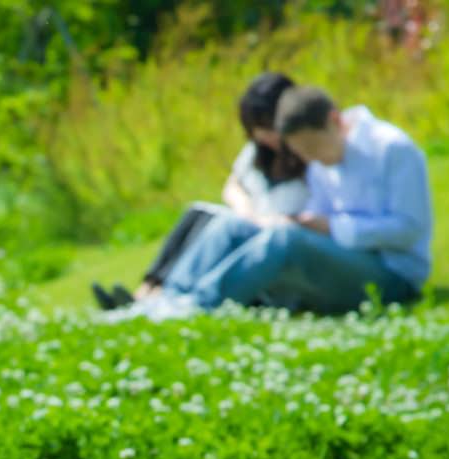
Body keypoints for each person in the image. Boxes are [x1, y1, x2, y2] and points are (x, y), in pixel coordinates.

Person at [144, 86, 432, 315]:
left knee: (284, 240)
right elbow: (314, 218)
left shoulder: (393, 150)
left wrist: (331, 226)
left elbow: (410, 230)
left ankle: (197, 306)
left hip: (392, 275)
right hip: (338, 258)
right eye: (303, 152)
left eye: (312, 147)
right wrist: (299, 222)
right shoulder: (321, 161)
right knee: (232, 225)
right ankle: (167, 298)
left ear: (335, 121)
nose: (311, 159)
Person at [92, 72, 308, 311]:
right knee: (197, 213)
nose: (266, 137)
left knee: (218, 223)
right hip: (250, 221)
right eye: (259, 130)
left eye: (268, 127)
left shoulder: (308, 152)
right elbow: (234, 184)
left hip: (271, 234)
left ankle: (163, 298)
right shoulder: (257, 153)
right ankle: (146, 292)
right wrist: (246, 210)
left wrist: (259, 220)